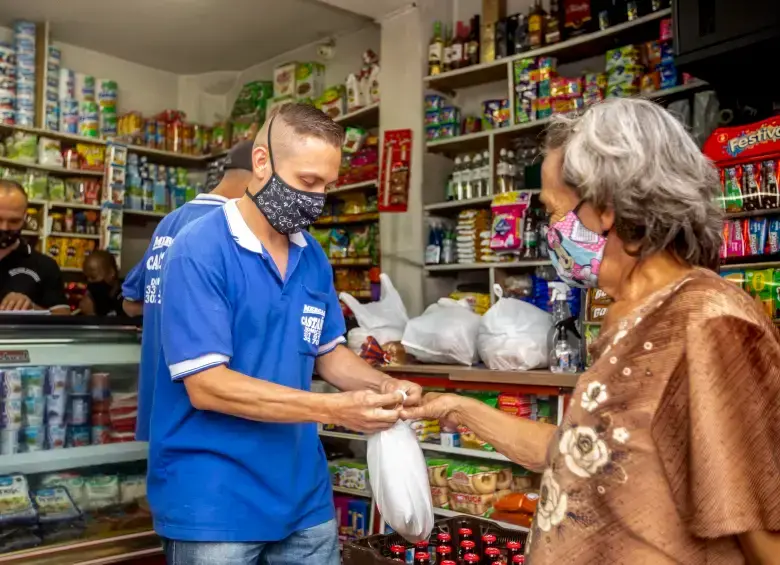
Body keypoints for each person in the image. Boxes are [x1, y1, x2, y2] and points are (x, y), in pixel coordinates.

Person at [402, 98, 780, 564]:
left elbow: (762, 530)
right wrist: (457, 408)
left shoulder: (709, 322)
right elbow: (581, 454)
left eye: (553, 211)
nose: (551, 230)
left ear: (604, 207)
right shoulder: (629, 316)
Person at [150, 103, 421, 565]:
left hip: (303, 496)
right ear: (262, 163)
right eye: (307, 182)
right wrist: (336, 409)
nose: (316, 198)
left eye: (327, 186)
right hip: (215, 499)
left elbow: (328, 354)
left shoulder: (312, 254)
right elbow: (208, 385)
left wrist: (384, 386)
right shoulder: (200, 248)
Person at [121, 140, 254, 441]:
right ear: (257, 175)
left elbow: (131, 303)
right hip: (203, 414)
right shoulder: (227, 227)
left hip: (162, 408)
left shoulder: (170, 221)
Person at [0, 180, 68, 314]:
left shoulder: (45, 266)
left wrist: (32, 309)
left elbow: (63, 318)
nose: (4, 227)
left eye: (14, 221)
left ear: (25, 217)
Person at [80, 250, 125, 316]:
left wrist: (91, 315)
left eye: (93, 277)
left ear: (111, 273)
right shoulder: (96, 299)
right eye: (86, 278)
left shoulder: (127, 299)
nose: (89, 282)